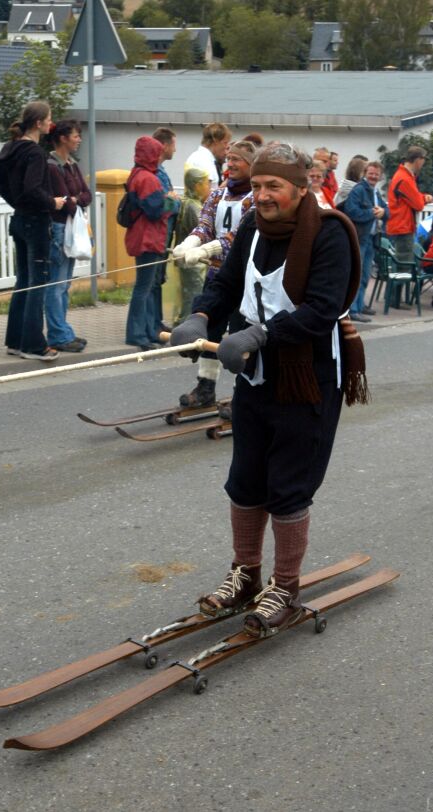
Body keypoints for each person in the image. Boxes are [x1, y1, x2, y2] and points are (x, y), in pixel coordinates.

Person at [170, 142, 367, 638]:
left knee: (288, 485)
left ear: (302, 189)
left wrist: (259, 334)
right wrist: (200, 315)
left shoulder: (330, 235)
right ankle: (245, 573)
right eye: (256, 186)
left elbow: (322, 309)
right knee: (245, 478)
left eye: (272, 186)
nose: (261, 195)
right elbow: (227, 284)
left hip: (308, 378)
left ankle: (285, 583)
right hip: (256, 377)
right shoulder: (253, 229)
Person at [173, 139, 257, 408]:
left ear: (251, 164)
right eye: (228, 159)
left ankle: (241, 395)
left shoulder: (256, 198)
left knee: (239, 337)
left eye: (237, 160)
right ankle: (206, 387)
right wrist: (190, 244)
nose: (230, 164)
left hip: (244, 280)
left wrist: (207, 249)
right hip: (217, 277)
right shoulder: (217, 195)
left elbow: (237, 238)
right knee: (208, 332)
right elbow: (205, 225)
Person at [0, 100, 66, 361]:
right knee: (38, 282)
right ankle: (34, 345)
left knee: (23, 281)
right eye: (49, 118)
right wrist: (52, 202)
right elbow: (33, 188)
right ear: (38, 123)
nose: (51, 122)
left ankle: (15, 341)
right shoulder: (35, 153)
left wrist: (17, 203)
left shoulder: (11, 148)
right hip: (36, 222)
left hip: (19, 219)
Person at [45, 119, 92, 352]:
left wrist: (74, 199)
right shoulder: (53, 166)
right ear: (63, 138)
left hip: (71, 227)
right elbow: (66, 201)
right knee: (57, 283)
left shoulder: (71, 164)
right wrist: (74, 200)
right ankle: (57, 334)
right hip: (60, 228)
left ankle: (62, 330)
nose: (79, 139)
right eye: (76, 135)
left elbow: (86, 195)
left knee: (64, 284)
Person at [124, 135, 171, 351]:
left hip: (142, 236)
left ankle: (145, 331)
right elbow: (156, 210)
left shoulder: (136, 174)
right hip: (148, 238)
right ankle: (137, 334)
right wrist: (171, 201)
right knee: (144, 288)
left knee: (144, 287)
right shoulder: (149, 179)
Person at [344, 161, 389, 323]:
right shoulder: (358, 190)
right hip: (360, 238)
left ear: (380, 176)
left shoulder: (376, 192)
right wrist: (372, 213)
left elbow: (387, 211)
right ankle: (353, 309)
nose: (373, 176)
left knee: (365, 275)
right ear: (365, 173)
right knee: (357, 274)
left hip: (372, 239)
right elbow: (352, 211)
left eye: (376, 174)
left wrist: (384, 211)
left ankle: (360, 305)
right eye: (371, 173)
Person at [173, 167, 211, 324]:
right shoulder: (192, 207)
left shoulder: (189, 203)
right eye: (206, 183)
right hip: (193, 262)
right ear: (196, 185)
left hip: (190, 260)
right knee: (193, 296)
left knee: (190, 294)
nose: (209, 187)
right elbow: (203, 232)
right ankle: (185, 327)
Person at [152, 127, 180, 333]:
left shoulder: (160, 171)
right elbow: (167, 206)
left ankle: (156, 321)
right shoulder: (156, 173)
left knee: (158, 279)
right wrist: (175, 202)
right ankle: (153, 323)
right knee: (153, 280)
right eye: (174, 145)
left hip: (163, 233)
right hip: (159, 233)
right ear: (165, 145)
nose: (175, 150)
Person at [386, 145, 433, 263]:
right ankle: (400, 282)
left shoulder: (403, 176)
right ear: (418, 160)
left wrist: (422, 197)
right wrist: (425, 199)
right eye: (423, 160)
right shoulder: (405, 179)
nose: (423, 164)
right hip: (403, 228)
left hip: (401, 226)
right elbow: (418, 204)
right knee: (404, 266)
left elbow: (413, 197)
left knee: (403, 265)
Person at [185, 122, 232, 190]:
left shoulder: (202, 158)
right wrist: (226, 185)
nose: (227, 147)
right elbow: (205, 195)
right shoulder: (203, 160)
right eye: (225, 143)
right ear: (216, 141)